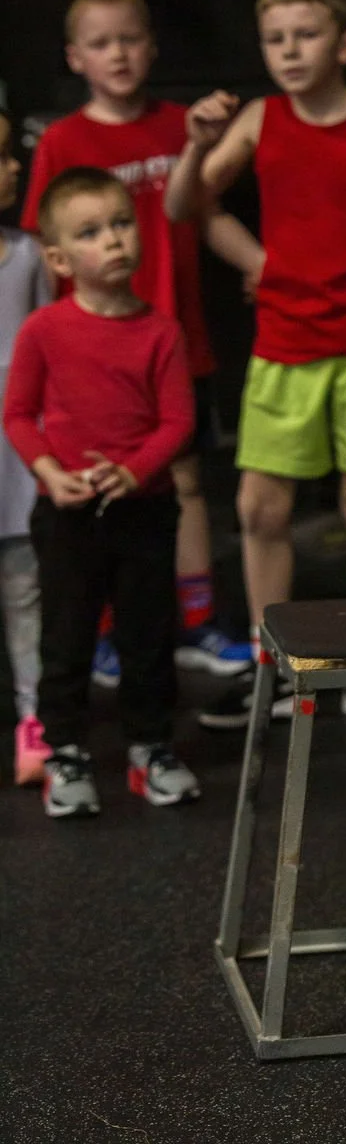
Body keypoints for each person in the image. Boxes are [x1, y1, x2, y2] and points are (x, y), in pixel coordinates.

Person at [164, 0, 346, 732]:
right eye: (275, 39)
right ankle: (272, 670)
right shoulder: (260, 119)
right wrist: (256, 260)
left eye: (304, 35)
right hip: (285, 344)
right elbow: (182, 208)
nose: (289, 51)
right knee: (258, 509)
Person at [20, 0, 260, 682]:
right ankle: (99, 632)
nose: (117, 54)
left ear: (151, 46)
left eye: (129, 38)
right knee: (93, 484)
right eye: (100, 43)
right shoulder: (63, 141)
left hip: (174, 340)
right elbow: (43, 249)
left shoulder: (182, 127)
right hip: (89, 355)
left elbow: (204, 212)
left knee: (184, 480)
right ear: (75, 58)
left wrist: (260, 264)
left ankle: (195, 622)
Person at [4, 167, 200, 816]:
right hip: (67, 514)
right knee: (67, 638)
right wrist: (50, 474)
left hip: (144, 509)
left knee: (147, 635)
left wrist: (133, 471)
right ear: (59, 259)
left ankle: (150, 749)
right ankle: (66, 751)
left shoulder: (160, 331)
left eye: (121, 223)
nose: (114, 240)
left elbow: (178, 422)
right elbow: (17, 414)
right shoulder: (44, 331)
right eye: (91, 233)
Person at [0, 112, 51, 785]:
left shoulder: (31, 255)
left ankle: (35, 716)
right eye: (1, 157)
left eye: (12, 154)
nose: (14, 168)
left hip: (17, 458)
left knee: (25, 586)